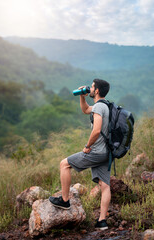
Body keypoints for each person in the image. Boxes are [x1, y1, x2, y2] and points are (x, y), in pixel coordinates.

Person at [49, 79, 110, 230]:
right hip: (106, 153)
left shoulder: (99, 108)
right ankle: (102, 221)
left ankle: (64, 200)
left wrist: (87, 146)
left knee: (64, 164)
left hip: (96, 152)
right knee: (105, 185)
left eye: (92, 86)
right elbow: (85, 110)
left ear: (96, 91)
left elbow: (96, 130)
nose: (90, 88)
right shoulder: (105, 105)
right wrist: (82, 96)